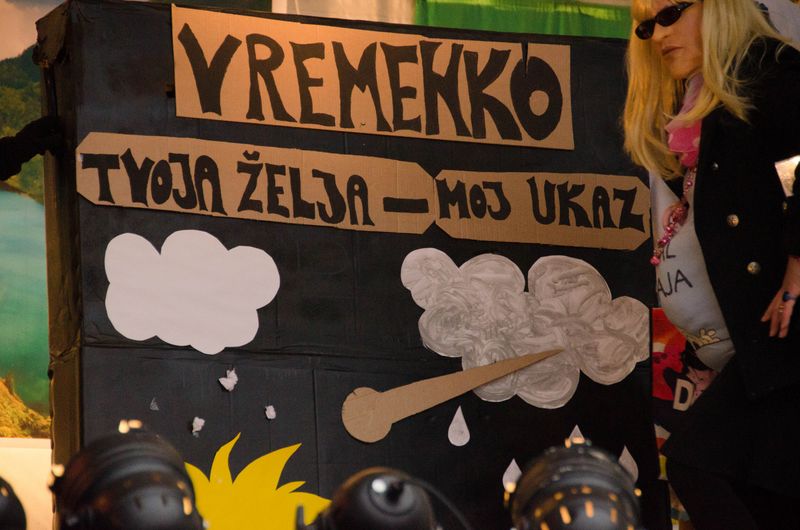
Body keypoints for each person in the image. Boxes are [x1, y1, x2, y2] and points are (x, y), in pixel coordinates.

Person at [623, 0, 800, 528]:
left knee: (696, 464)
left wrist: (797, 271)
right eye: (647, 25)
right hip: (761, 339)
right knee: (766, 493)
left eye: (671, 13)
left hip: (784, 333)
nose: (658, 35)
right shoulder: (702, 104)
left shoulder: (773, 72)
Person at [0, 115, 60, 181]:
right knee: (26, 143)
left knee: (28, 145)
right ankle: (51, 136)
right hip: (10, 153)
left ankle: (52, 139)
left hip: (11, 155)